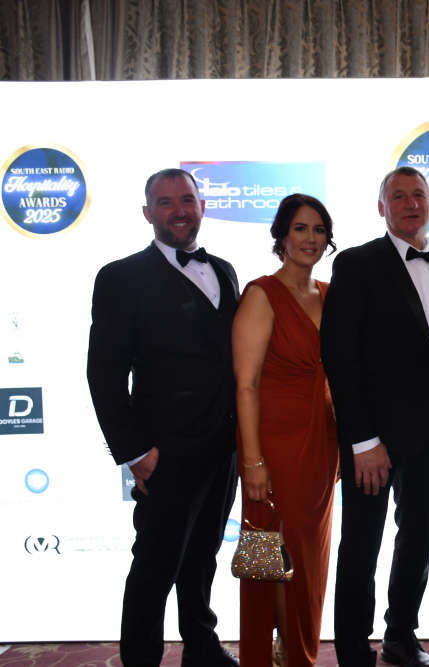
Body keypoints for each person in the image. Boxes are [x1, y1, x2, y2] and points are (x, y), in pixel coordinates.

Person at [87, 168, 240, 666]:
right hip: (165, 452)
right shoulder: (120, 277)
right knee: (154, 567)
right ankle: (141, 659)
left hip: (224, 447)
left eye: (187, 200)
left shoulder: (224, 270)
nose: (179, 211)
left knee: (203, 557)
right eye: (166, 202)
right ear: (147, 212)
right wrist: (135, 453)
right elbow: (104, 374)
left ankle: (201, 646)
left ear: (202, 206)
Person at [320, 166, 429, 667]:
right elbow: (341, 357)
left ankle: (401, 636)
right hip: (372, 440)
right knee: (361, 545)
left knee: (419, 540)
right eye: (398, 196)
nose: (410, 203)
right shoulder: (356, 264)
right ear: (381, 207)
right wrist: (362, 440)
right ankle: (352, 649)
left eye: (418, 195)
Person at [232, 194, 340, 666]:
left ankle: (295, 651)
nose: (310, 238)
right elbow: (246, 384)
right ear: (281, 235)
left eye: (318, 229)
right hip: (274, 445)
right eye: (300, 228)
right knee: (274, 556)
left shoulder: (331, 294)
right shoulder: (261, 294)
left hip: (321, 445)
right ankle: (283, 655)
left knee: (309, 560)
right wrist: (252, 461)